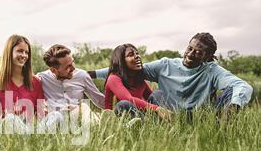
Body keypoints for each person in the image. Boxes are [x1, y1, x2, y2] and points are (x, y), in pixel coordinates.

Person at [92, 33, 253, 116]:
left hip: (200, 115)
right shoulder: (165, 65)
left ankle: (222, 128)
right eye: (190, 49)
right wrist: (88, 74)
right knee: (157, 94)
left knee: (233, 92)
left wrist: (234, 105)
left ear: (207, 57)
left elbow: (243, 86)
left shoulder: (212, 70)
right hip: (171, 113)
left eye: (198, 53)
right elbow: (123, 69)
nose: (190, 54)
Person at [0, 44, 105, 127]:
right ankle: (97, 121)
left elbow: (100, 100)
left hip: (77, 116)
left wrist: (117, 106)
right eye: (67, 67)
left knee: (83, 108)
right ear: (53, 70)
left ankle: (101, 123)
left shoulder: (82, 76)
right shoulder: (40, 79)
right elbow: (19, 80)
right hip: (55, 118)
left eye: (72, 62)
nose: (73, 68)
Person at [0, 35, 61, 134]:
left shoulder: (35, 82)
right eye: (20, 51)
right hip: (6, 127)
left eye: (27, 52)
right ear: (9, 52)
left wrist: (44, 110)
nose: (24, 55)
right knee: (11, 118)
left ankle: (32, 136)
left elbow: (40, 113)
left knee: (57, 115)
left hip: (29, 126)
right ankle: (31, 137)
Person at [104, 43, 173, 121]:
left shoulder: (138, 78)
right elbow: (128, 98)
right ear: (121, 61)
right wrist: (157, 108)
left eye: (137, 53)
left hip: (140, 115)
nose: (137, 56)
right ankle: (138, 124)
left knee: (158, 93)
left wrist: (161, 108)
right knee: (123, 104)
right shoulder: (113, 78)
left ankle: (166, 122)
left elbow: (153, 98)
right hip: (118, 119)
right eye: (131, 55)